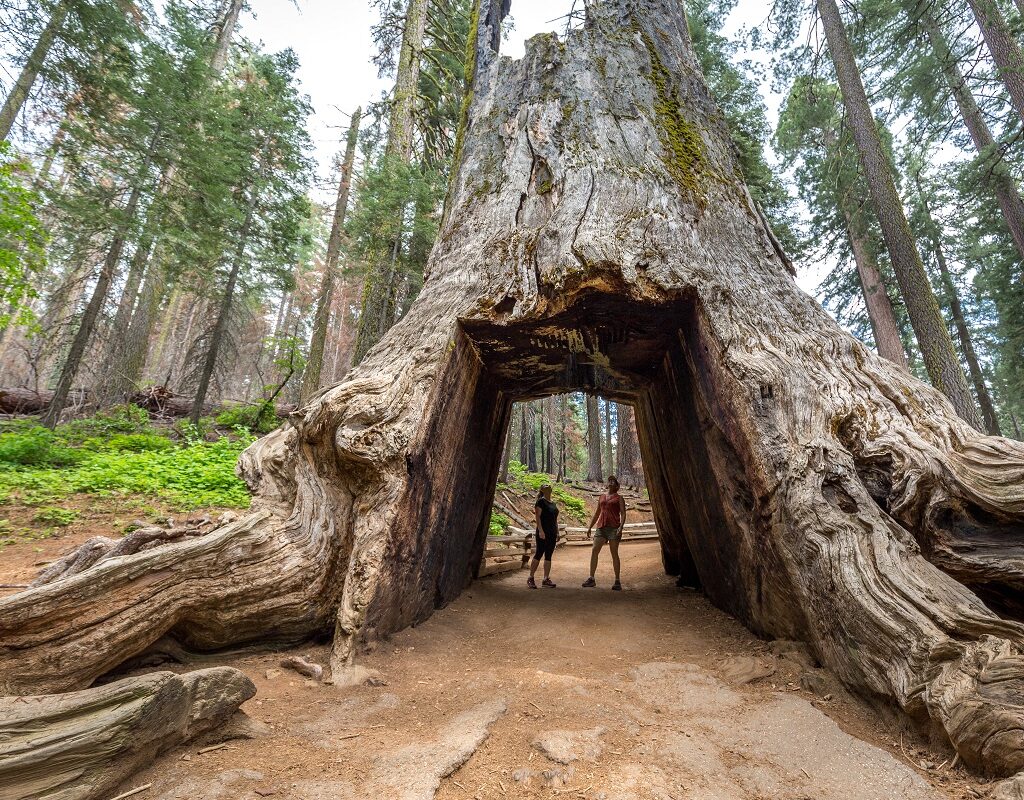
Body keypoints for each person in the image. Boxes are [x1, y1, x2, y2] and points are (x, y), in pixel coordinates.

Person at [583, 475, 626, 590]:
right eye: (609, 481)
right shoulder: (602, 497)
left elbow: (623, 513)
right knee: (594, 550)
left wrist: (621, 527)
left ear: (617, 486)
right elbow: (597, 513)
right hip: (601, 527)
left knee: (614, 553)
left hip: (613, 528)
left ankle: (617, 581)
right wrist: (590, 527)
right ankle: (591, 578)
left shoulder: (619, 498)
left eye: (613, 481)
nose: (611, 482)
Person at [528, 484, 559, 588]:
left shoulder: (553, 504)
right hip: (543, 532)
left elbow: (555, 520)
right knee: (539, 553)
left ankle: (546, 579)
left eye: (549, 485)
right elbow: (537, 517)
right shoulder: (540, 501)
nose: (548, 486)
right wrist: (541, 531)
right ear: (542, 490)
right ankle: (531, 577)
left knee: (548, 555)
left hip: (552, 532)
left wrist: (557, 532)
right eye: (545, 486)